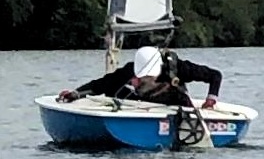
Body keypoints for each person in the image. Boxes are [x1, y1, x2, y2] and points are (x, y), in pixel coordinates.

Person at [56, 46, 223, 109]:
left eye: (145, 77)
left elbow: (215, 75)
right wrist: (76, 93)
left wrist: (211, 100)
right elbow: (100, 84)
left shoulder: (179, 69)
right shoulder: (129, 71)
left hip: (174, 107)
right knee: (114, 89)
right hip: (140, 108)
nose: (139, 80)